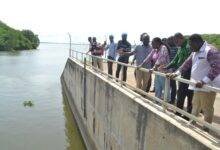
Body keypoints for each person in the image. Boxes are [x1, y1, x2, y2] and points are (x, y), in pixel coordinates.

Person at [168, 34, 220, 129]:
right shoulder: (195, 51)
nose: (190, 48)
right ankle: (192, 124)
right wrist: (176, 73)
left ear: (197, 42)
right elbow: (186, 64)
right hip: (197, 85)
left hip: (207, 86)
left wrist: (203, 81)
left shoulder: (210, 50)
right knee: (195, 105)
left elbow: (216, 68)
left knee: (206, 108)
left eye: (191, 45)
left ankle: (206, 128)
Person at [165, 33, 193, 117]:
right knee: (180, 94)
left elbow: (189, 62)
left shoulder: (189, 47)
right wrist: (166, 67)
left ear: (182, 38)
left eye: (177, 41)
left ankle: (187, 115)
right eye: (175, 41)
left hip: (191, 75)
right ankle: (178, 112)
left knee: (190, 95)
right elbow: (175, 60)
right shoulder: (180, 48)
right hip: (182, 74)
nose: (176, 43)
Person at [167, 36, 178, 104]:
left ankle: (173, 99)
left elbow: (176, 60)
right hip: (169, 69)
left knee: (173, 85)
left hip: (174, 70)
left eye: (169, 41)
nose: (168, 42)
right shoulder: (169, 48)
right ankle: (171, 98)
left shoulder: (176, 49)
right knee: (170, 85)